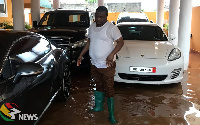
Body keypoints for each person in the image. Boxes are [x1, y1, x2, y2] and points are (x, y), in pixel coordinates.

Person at [77, 6, 124, 124]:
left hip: (107, 65)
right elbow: (89, 42)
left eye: (101, 17)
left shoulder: (111, 28)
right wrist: (81, 54)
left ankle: (111, 115)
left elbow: (121, 42)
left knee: (109, 88)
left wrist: (112, 54)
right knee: (98, 85)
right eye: (96, 16)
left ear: (106, 16)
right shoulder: (92, 26)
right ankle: (98, 107)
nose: (98, 19)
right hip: (94, 64)